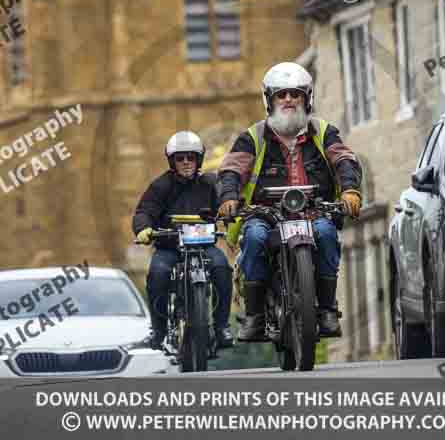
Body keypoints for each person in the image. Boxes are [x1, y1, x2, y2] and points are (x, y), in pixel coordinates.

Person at [217, 62, 362, 341]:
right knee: (254, 238)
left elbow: (344, 159)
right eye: (281, 94)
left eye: (295, 94)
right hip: (265, 214)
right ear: (269, 100)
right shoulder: (253, 137)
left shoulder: (324, 131)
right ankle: (255, 316)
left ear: (307, 99)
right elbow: (231, 170)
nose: (288, 100)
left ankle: (327, 310)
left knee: (326, 233)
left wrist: (350, 190)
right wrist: (229, 197)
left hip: (314, 211)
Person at [132, 131, 234, 350]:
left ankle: (221, 327)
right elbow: (144, 211)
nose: (186, 162)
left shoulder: (211, 182)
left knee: (222, 268)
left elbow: (226, 200)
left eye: (191, 157)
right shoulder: (160, 186)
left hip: (204, 246)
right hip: (169, 248)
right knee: (158, 274)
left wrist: (230, 210)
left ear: (199, 159)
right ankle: (158, 331)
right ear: (172, 161)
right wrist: (143, 228)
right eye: (180, 158)